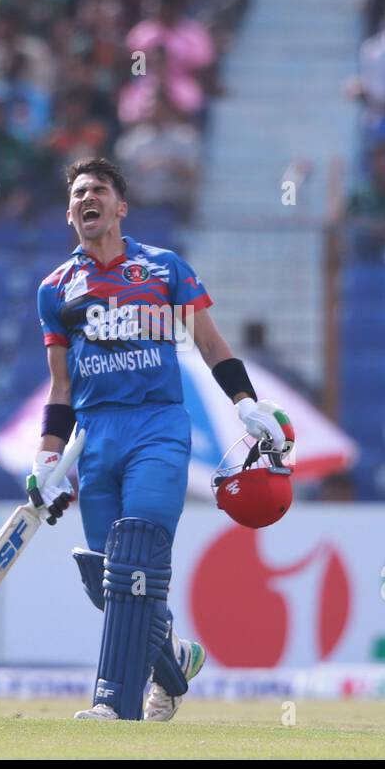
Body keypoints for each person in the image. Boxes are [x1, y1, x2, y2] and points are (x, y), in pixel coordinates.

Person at [33, 157, 291, 721]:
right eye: (78, 193)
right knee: (107, 583)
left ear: (120, 207)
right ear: (69, 211)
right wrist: (48, 457)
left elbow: (211, 344)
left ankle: (111, 705)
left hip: (158, 427)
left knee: (132, 560)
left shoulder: (163, 268)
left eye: (98, 190)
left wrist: (245, 404)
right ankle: (173, 661)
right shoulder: (55, 288)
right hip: (95, 437)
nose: (86, 198)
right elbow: (60, 384)